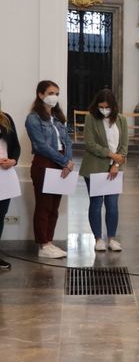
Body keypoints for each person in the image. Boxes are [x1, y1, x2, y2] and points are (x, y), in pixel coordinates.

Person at [25, 81, 73, 258]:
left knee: (54, 207)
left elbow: (67, 140)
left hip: (61, 164)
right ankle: (43, 245)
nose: (54, 97)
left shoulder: (59, 117)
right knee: (44, 206)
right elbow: (41, 145)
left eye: (57, 93)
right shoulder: (33, 118)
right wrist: (63, 160)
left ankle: (50, 242)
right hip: (44, 163)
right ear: (40, 94)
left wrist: (68, 160)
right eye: (51, 93)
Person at [80, 89, 127, 252]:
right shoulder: (91, 118)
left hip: (115, 168)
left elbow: (124, 145)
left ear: (113, 106)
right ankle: (98, 238)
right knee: (96, 204)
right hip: (94, 167)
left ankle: (112, 238)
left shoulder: (121, 119)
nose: (104, 110)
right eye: (101, 106)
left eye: (107, 107)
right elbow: (90, 144)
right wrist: (110, 154)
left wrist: (116, 164)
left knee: (112, 205)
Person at [0, 98, 22, 270]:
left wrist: (13, 160)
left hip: (5, 174)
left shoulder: (5, 118)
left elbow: (15, 146)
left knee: (1, 215)